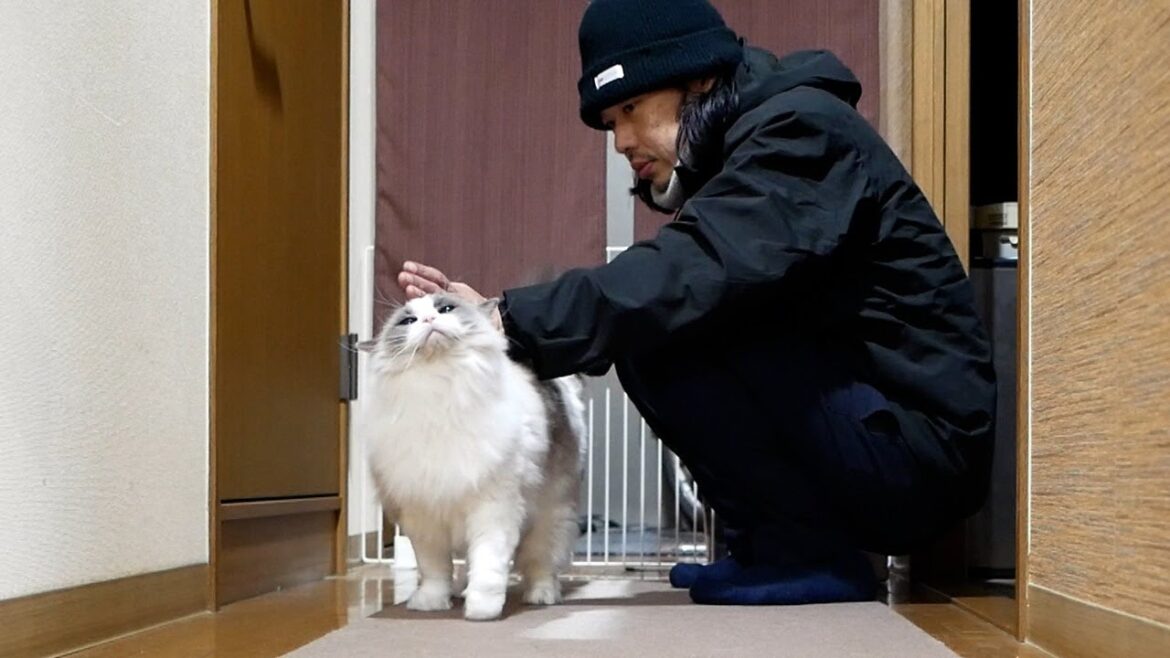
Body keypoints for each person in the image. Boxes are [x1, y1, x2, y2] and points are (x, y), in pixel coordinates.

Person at [397, 0, 996, 606]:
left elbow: (692, 268)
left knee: (667, 315)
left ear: (701, 78)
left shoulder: (803, 132)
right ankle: (774, 549)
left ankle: (806, 555)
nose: (621, 141)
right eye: (610, 122)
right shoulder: (757, 144)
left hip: (920, 457)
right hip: (876, 432)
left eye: (632, 109)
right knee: (662, 324)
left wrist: (508, 317)